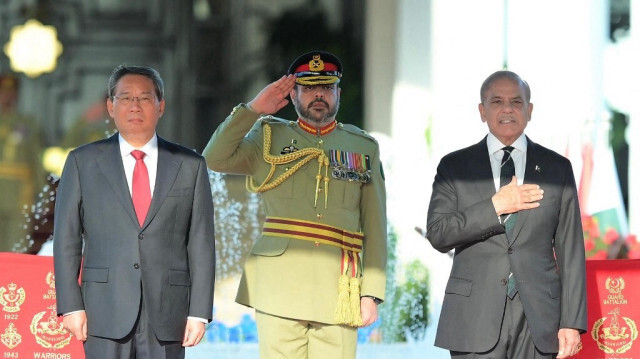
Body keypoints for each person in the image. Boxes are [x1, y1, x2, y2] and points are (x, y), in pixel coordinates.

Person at [203, 51, 387, 358]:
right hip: (279, 286)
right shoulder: (267, 136)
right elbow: (214, 158)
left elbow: (375, 225)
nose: (319, 95)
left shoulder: (362, 146)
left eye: (327, 88)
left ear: (338, 93)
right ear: (293, 93)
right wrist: (251, 110)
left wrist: (371, 293)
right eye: (309, 88)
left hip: (339, 288)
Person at [53, 65, 215, 359]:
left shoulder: (189, 165)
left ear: (161, 106)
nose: (135, 106)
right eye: (125, 98)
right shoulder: (83, 162)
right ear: (110, 107)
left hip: (168, 315)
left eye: (145, 98)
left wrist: (199, 312)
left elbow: (201, 243)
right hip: (103, 310)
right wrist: (71, 305)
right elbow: (66, 239)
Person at [426, 70, 587, 359]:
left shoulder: (557, 168)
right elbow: (438, 233)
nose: (507, 109)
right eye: (497, 101)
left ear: (530, 109)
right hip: (473, 317)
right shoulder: (455, 167)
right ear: (482, 110)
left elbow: (571, 251)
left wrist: (572, 322)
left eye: (516, 101)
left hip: (540, 318)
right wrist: (495, 207)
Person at [0, 74, 45, 252]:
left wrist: (41, 192)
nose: (7, 96)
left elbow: (35, 159)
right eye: (3, 92)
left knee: (17, 246)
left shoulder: (27, 123)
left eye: (11, 92)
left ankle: (11, 281)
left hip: (19, 194)